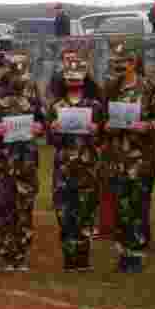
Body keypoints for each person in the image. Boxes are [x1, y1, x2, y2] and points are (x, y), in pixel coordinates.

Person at [103, 45, 155, 273]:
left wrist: (147, 125)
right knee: (120, 204)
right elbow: (100, 118)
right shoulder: (110, 88)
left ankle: (136, 253)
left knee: (138, 204)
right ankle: (124, 250)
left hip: (140, 158)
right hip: (117, 158)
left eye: (123, 62)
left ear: (133, 63)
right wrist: (104, 125)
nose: (118, 66)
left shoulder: (148, 88)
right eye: (115, 62)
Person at [0, 54, 45, 272]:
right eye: (15, 72)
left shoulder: (32, 91)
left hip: (26, 160)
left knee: (24, 208)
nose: (19, 78)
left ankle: (21, 255)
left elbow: (42, 119)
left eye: (22, 73)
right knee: (4, 207)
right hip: (3, 160)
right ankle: (6, 254)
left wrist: (39, 128)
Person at [47, 58, 104, 271]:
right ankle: (69, 259)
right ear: (64, 81)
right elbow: (51, 142)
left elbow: (102, 138)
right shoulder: (56, 106)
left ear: (84, 80)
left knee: (86, 212)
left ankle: (83, 259)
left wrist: (95, 131)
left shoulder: (95, 106)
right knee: (64, 213)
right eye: (69, 79)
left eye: (77, 79)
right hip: (63, 168)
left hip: (87, 167)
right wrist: (52, 130)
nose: (73, 83)